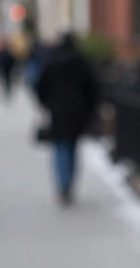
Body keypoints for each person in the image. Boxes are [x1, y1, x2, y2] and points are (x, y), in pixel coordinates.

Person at [36, 34, 99, 207]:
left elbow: (41, 87)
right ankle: (68, 183)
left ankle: (63, 183)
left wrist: (47, 104)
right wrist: (89, 111)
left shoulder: (52, 63)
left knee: (60, 148)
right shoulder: (82, 63)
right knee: (71, 148)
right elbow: (93, 90)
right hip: (77, 113)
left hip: (58, 113)